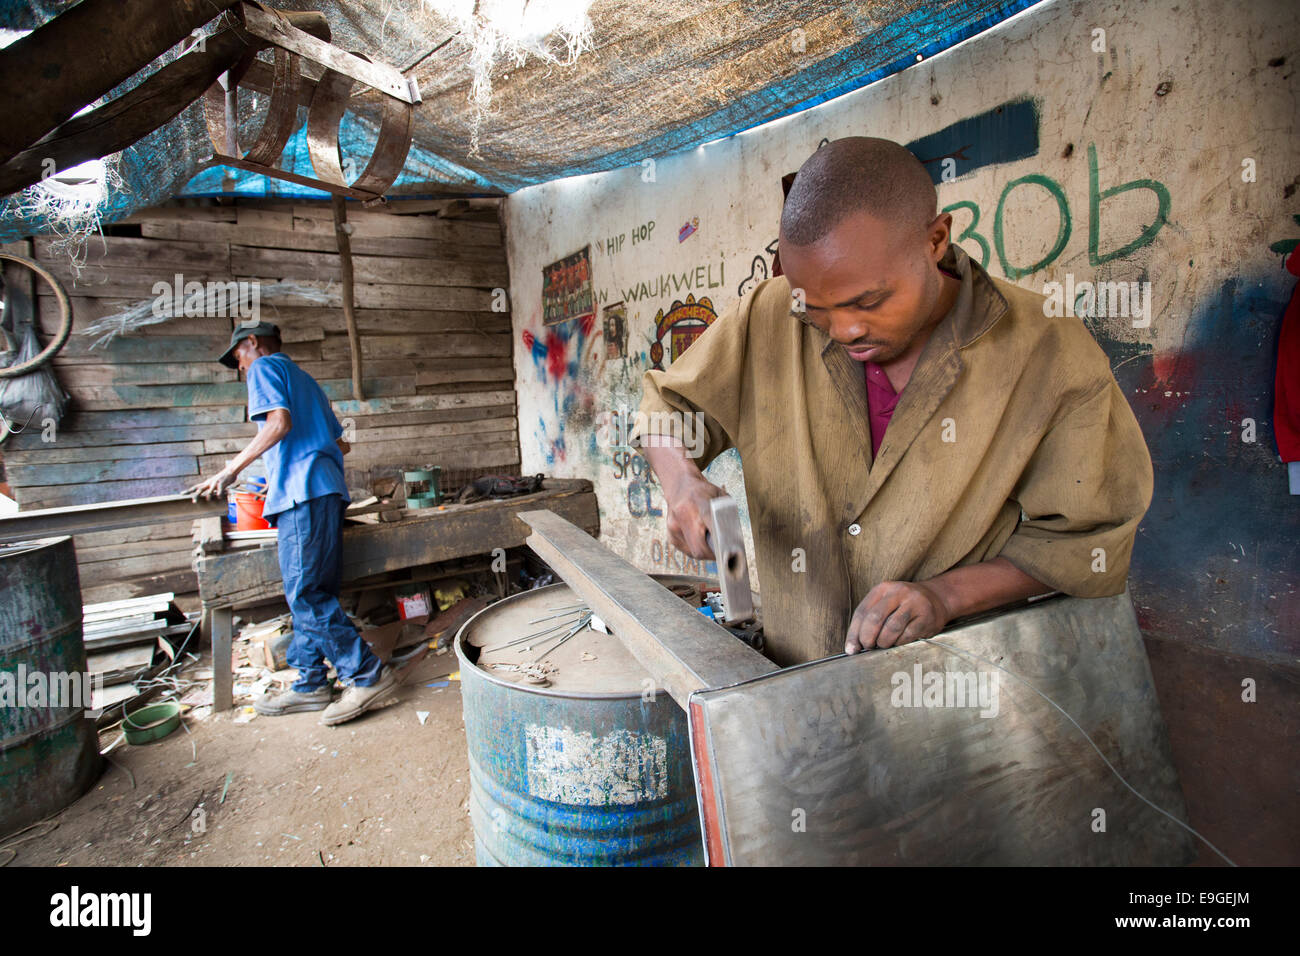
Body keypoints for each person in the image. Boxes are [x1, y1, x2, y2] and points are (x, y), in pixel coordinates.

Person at [633, 137, 1154, 667]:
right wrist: (682, 482)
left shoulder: (1047, 348)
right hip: (796, 684)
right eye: (816, 309)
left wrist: (944, 596)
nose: (845, 330)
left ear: (936, 240)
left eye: (869, 301)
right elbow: (667, 406)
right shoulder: (769, 317)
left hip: (958, 693)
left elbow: (1088, 540)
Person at [188, 321, 399, 724]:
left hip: (304, 495)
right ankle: (311, 684)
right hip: (322, 490)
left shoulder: (265, 368)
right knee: (313, 592)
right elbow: (340, 443)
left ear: (253, 344)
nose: (241, 370)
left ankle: (367, 676)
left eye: (239, 359)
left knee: (306, 595)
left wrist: (230, 470)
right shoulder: (305, 380)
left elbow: (279, 424)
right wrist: (281, 473)